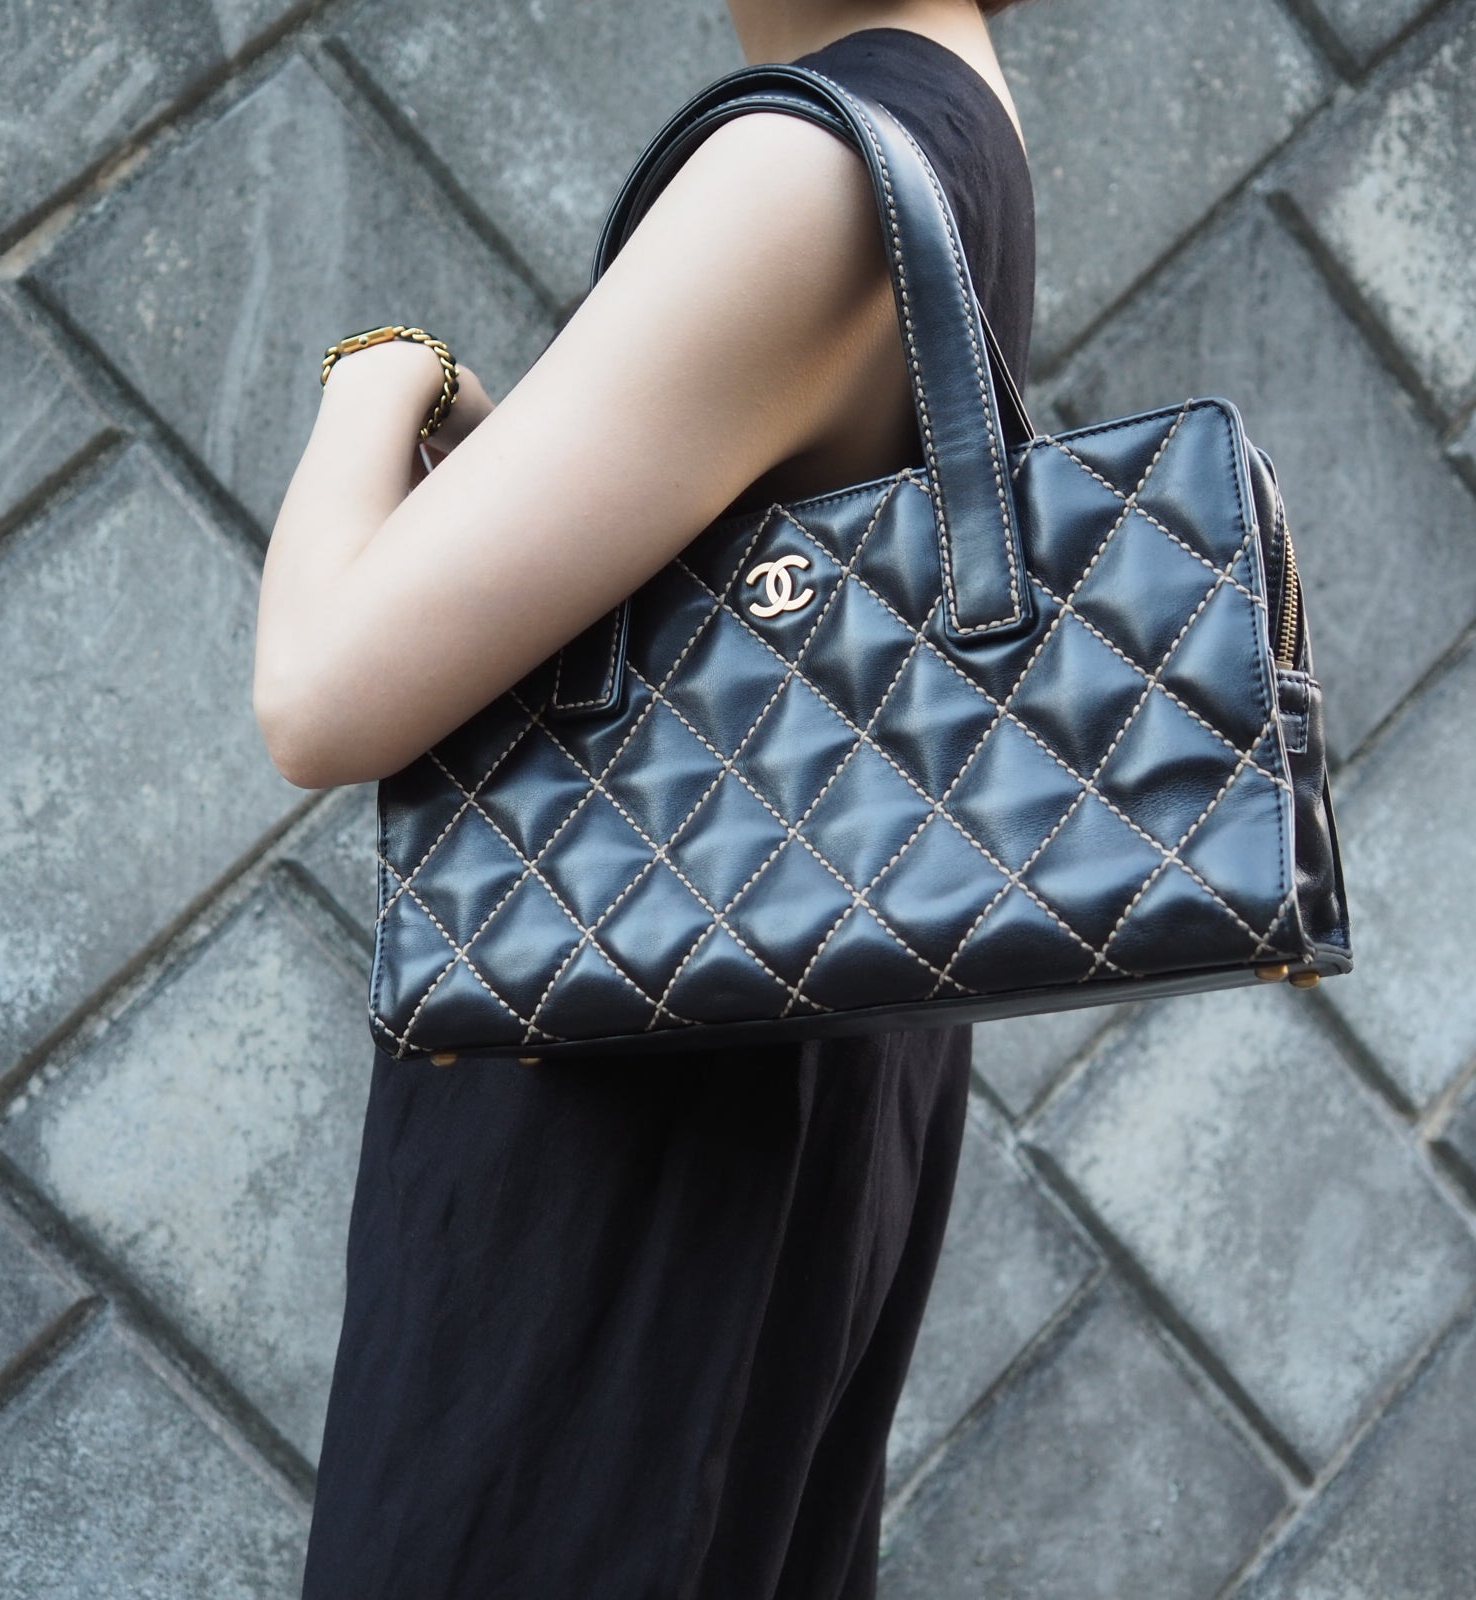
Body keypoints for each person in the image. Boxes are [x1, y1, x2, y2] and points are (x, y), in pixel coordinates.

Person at [253, 2, 1038, 1595]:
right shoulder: (947, 114)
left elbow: (317, 694)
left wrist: (378, 373)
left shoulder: (805, 168)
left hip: (641, 1168)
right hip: (767, 1087)